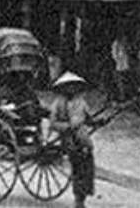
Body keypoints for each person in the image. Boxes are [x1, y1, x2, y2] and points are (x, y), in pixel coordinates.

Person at [45, 71, 96, 208]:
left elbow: (89, 119)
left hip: (83, 139)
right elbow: (53, 124)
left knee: (87, 168)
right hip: (68, 139)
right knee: (78, 168)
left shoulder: (81, 102)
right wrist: (67, 126)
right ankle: (78, 199)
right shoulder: (58, 103)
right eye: (69, 87)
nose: (72, 90)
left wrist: (96, 122)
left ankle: (83, 196)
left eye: (74, 87)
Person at [110, 36, 131, 101]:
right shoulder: (116, 43)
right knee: (121, 81)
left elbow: (127, 52)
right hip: (120, 66)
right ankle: (122, 96)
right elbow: (114, 54)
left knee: (126, 80)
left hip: (125, 65)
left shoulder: (125, 44)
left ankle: (127, 95)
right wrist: (118, 59)